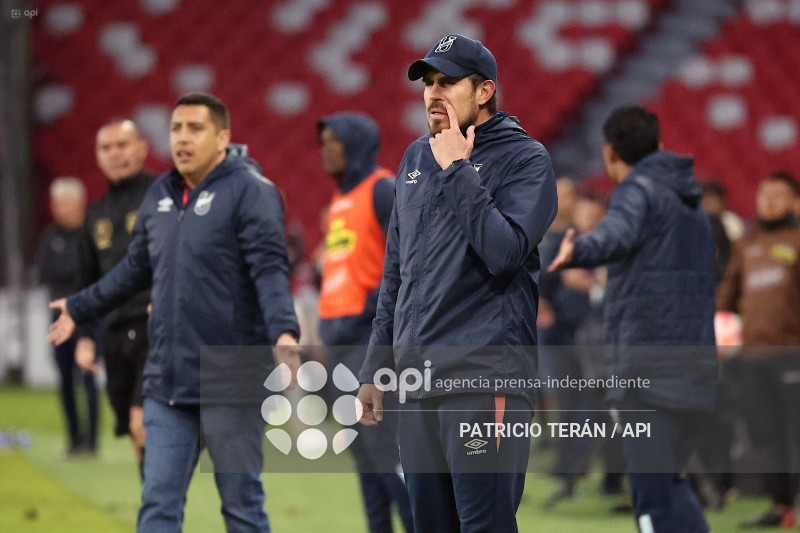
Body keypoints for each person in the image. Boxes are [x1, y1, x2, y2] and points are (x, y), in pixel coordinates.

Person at [48, 93, 301, 533]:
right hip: (168, 378)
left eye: (195, 129)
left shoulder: (251, 192)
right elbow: (131, 270)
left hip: (232, 376)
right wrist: (78, 306)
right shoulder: (160, 195)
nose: (183, 138)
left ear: (222, 137)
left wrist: (283, 332)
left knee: (241, 508)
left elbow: (269, 268)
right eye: (176, 129)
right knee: (158, 507)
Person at [356, 34, 558, 533]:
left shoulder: (526, 161)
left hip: (483, 376)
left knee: (484, 525)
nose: (432, 94)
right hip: (417, 381)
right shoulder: (413, 160)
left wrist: (457, 168)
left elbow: (505, 252)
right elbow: (396, 275)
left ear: (485, 91)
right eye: (427, 83)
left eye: (448, 82)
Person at [548, 105, 718, 533]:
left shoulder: (636, 191)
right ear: (659, 144)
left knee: (651, 499)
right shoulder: (690, 200)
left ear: (610, 155)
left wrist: (581, 250)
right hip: (694, 363)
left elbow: (616, 231)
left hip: (648, 372)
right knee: (672, 485)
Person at [316, 112, 414, 533]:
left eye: (334, 140)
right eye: (322, 141)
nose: (325, 148)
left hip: (369, 345)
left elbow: (411, 259)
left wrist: (371, 309)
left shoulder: (381, 190)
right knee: (363, 455)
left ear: (356, 143)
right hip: (341, 346)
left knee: (383, 453)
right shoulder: (340, 200)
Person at [716, 171, 800, 528]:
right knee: (766, 434)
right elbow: (727, 300)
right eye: (763, 194)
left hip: (793, 352)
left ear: (794, 202)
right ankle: (780, 507)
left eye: (777, 195)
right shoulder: (746, 246)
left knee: (797, 433)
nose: (767, 201)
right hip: (753, 357)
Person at [79, 118, 155, 478]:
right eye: (106, 148)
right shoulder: (95, 215)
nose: (115, 154)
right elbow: (88, 281)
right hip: (113, 333)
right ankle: (158, 501)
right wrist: (83, 336)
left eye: (122, 145)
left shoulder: (165, 195)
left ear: (141, 147)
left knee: (143, 425)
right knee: (132, 430)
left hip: (155, 327)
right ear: (96, 156)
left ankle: (160, 511)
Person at [34, 177, 99, 456]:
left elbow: (93, 275)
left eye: (65, 203)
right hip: (58, 318)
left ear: (79, 203)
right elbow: (44, 272)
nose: (59, 209)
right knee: (64, 377)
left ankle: (91, 441)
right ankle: (73, 439)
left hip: (87, 316)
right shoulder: (51, 236)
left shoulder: (93, 234)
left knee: (87, 375)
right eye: (56, 203)